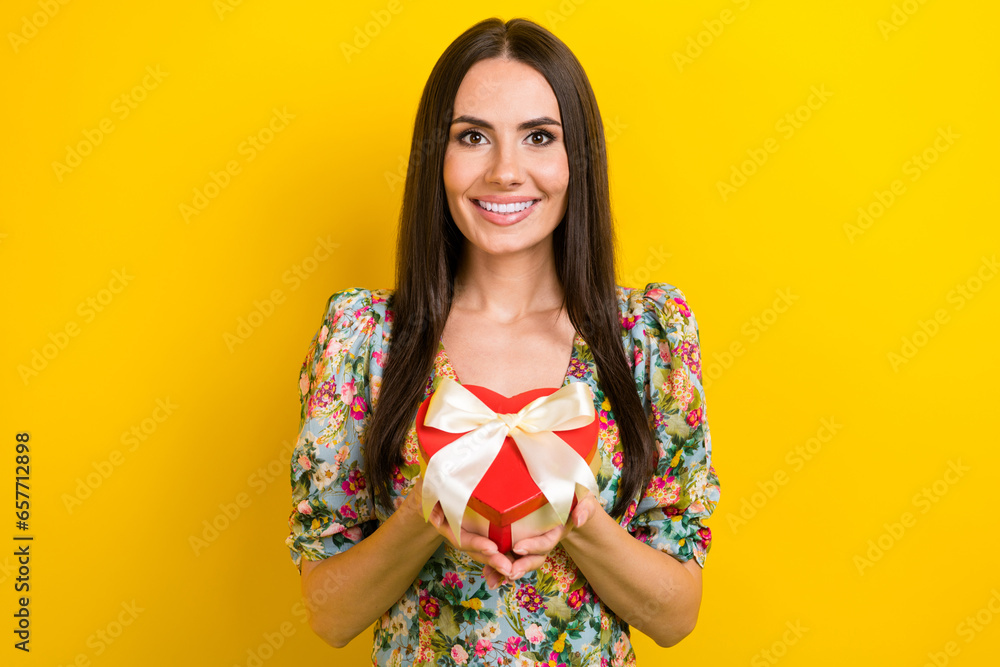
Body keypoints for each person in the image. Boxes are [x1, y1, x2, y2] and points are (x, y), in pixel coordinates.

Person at [286, 16, 721, 667]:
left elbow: (677, 614)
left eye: (539, 137)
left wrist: (576, 518)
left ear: (578, 159)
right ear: (438, 155)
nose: (506, 171)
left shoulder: (648, 337)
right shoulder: (364, 338)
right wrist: (423, 517)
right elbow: (329, 614)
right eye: (473, 137)